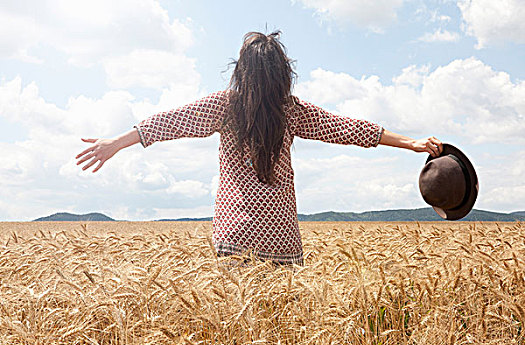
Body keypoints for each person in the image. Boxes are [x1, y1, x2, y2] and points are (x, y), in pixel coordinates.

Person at [76, 31, 442, 266]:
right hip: (280, 234)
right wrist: (409, 142)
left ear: (242, 71)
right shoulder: (293, 110)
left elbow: (170, 122)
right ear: (283, 72)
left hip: (234, 232)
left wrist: (117, 142)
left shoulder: (226, 104)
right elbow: (349, 129)